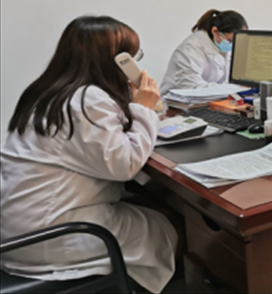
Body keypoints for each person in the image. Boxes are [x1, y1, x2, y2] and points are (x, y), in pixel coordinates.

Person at [0, 16, 177, 294]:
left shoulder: (49, 92)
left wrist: (141, 109)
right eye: (130, 57)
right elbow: (126, 164)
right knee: (168, 225)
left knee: (152, 205)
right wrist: (143, 107)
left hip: (22, 226)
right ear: (113, 61)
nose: (134, 63)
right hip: (55, 235)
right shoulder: (86, 100)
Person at [160, 9, 248, 95]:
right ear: (215, 31)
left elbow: (228, 79)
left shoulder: (222, 47)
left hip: (212, 99)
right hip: (177, 101)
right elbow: (192, 87)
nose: (233, 45)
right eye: (230, 40)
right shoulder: (190, 49)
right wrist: (231, 88)